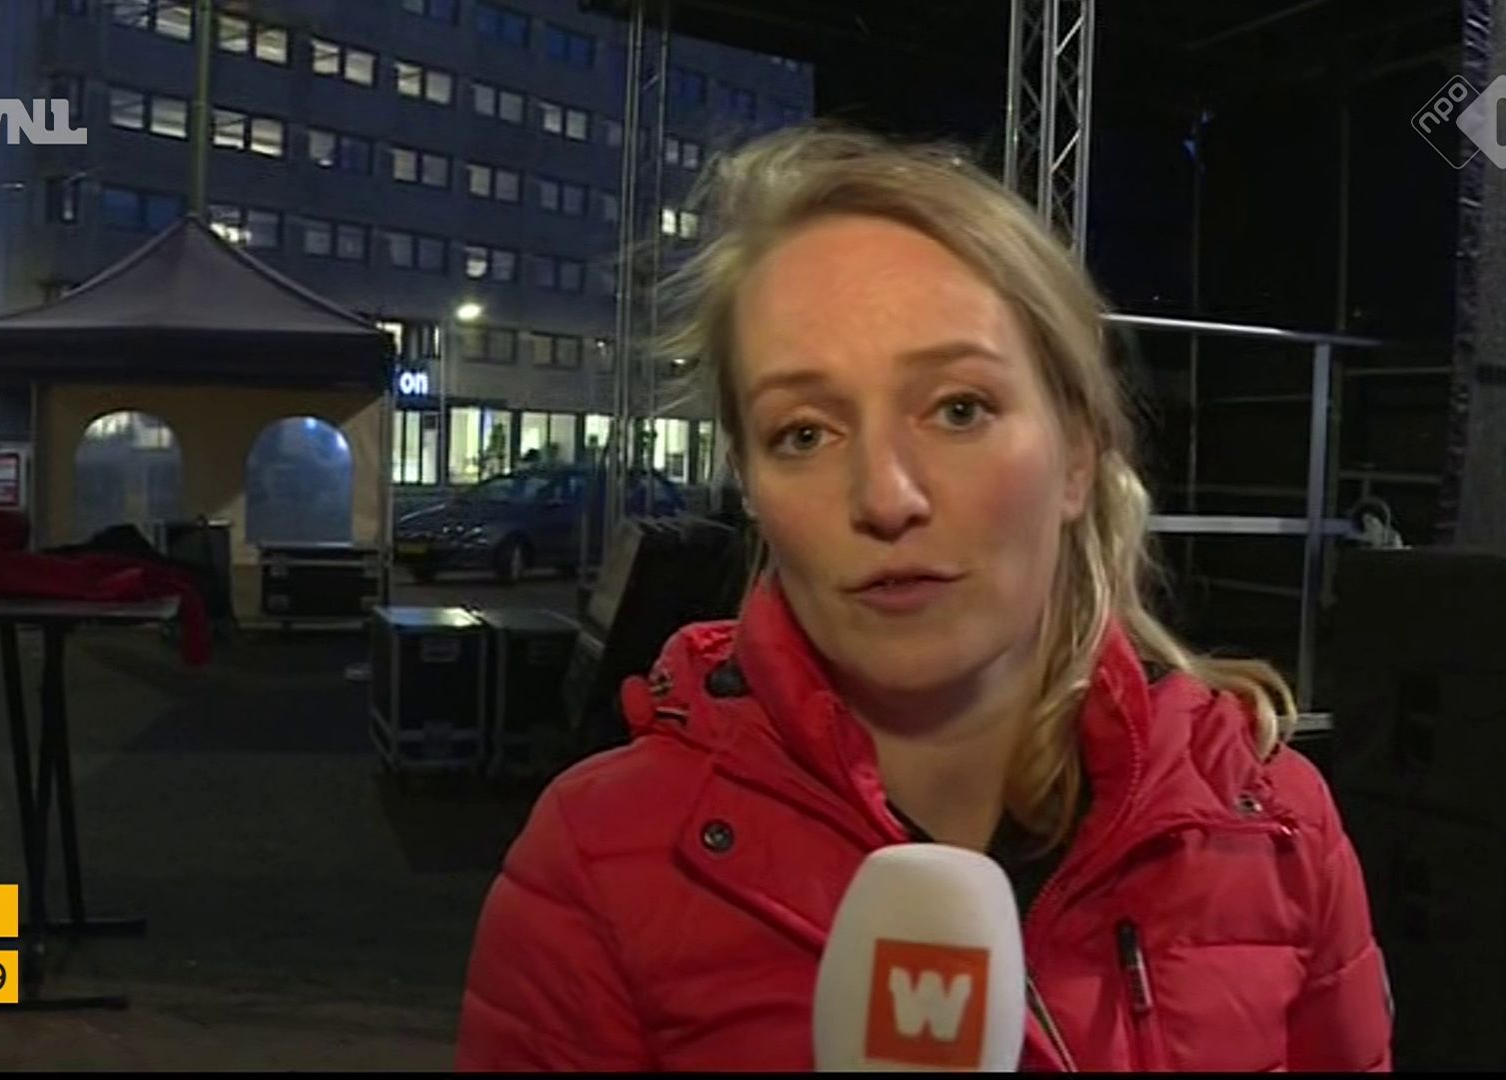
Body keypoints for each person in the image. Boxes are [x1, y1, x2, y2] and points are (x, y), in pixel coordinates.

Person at [455, 126, 1390, 1071]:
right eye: (804, 433)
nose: (886, 496)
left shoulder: (1279, 827)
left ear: (1077, 454)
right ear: (752, 488)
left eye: (958, 409)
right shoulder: (596, 865)